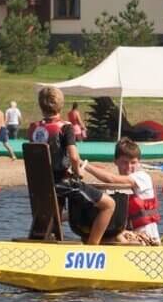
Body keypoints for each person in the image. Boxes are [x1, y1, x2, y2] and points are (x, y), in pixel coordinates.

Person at [30, 86, 115, 245]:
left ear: (40, 105)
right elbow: (74, 157)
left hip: (40, 185)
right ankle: (92, 249)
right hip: (62, 183)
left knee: (57, 209)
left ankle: (47, 239)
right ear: (61, 105)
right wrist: (78, 173)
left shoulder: (34, 128)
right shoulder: (66, 128)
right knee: (109, 204)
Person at [82, 138, 159, 245]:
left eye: (133, 163)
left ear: (139, 162)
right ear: (115, 162)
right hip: (127, 236)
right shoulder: (116, 188)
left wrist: (84, 165)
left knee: (110, 235)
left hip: (147, 238)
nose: (129, 167)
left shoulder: (143, 177)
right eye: (124, 162)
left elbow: (111, 179)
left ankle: (91, 249)